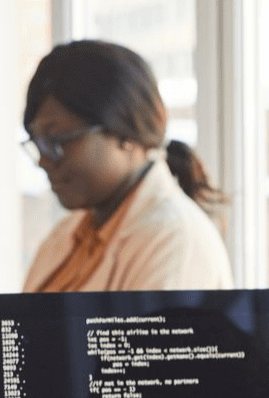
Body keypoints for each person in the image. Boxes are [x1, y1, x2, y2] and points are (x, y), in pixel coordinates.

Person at [22, 40, 232, 292]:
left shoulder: (175, 243)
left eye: (56, 142)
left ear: (125, 133)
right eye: (39, 144)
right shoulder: (67, 236)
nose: (43, 162)